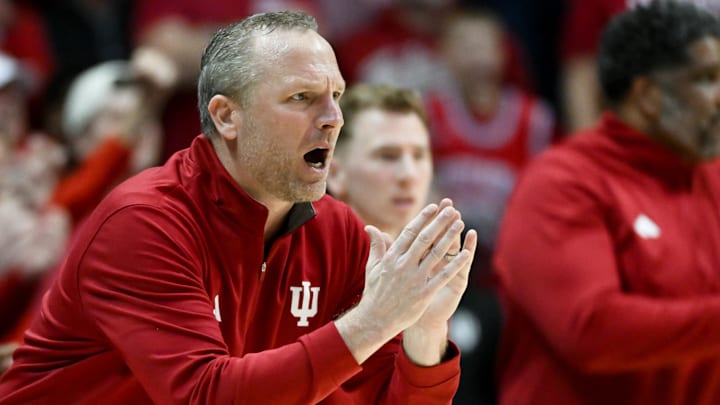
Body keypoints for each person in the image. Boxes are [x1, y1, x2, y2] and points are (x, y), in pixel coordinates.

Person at [0, 10, 478, 404]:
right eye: (302, 98)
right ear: (228, 117)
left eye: (336, 96)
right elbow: (206, 396)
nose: (333, 119)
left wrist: (424, 331)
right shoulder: (145, 222)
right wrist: (373, 320)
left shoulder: (339, 232)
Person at [494, 1, 720, 404]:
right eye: (707, 79)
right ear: (648, 95)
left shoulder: (712, 175)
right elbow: (589, 330)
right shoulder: (561, 183)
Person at [327, 83, 433, 239]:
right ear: (334, 173)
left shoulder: (444, 259)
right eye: (387, 156)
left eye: (418, 156)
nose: (409, 175)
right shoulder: (305, 259)